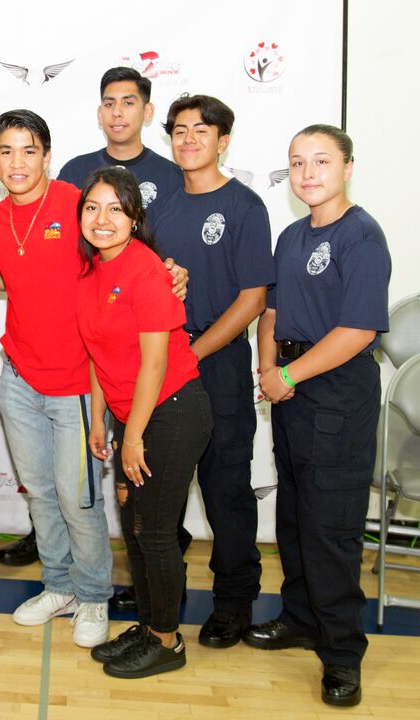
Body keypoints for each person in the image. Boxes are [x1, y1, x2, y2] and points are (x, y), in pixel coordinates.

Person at [0, 110, 187, 649]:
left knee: (80, 501)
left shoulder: (77, 204)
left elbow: (127, 250)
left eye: (28, 150)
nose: (17, 162)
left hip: (78, 383)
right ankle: (60, 586)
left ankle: (95, 594)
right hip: (20, 378)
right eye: (6, 151)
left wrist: (173, 272)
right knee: (42, 496)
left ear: (47, 156)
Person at [249, 124, 391, 707]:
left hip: (335, 391)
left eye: (321, 162)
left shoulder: (362, 236)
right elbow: (272, 311)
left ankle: (341, 656)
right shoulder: (291, 237)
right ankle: (301, 617)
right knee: (297, 517)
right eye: (298, 163)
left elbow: (358, 330)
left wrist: (289, 376)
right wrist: (267, 368)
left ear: (347, 167)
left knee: (331, 530)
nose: (308, 174)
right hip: (289, 387)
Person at [78, 167, 212, 678]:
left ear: (135, 218)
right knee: (135, 530)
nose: (103, 218)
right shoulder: (91, 272)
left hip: (171, 412)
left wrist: (132, 435)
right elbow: (96, 353)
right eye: (93, 207)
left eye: (116, 208)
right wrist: (100, 422)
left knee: (153, 531)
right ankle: (150, 623)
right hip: (129, 415)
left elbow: (154, 363)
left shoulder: (146, 269)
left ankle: (167, 641)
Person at [149, 93, 273, 647]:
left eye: (201, 130)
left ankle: (234, 602)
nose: (188, 139)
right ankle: (163, 596)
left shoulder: (247, 207)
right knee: (165, 489)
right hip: (165, 365)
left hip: (215, 363)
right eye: (179, 130)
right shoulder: (162, 210)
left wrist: (192, 355)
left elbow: (252, 300)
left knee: (226, 490)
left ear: (224, 140)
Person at [58, 66, 182, 220]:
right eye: (109, 104)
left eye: (128, 103)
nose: (116, 112)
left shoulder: (171, 176)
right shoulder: (74, 172)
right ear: (99, 114)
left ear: (147, 112)